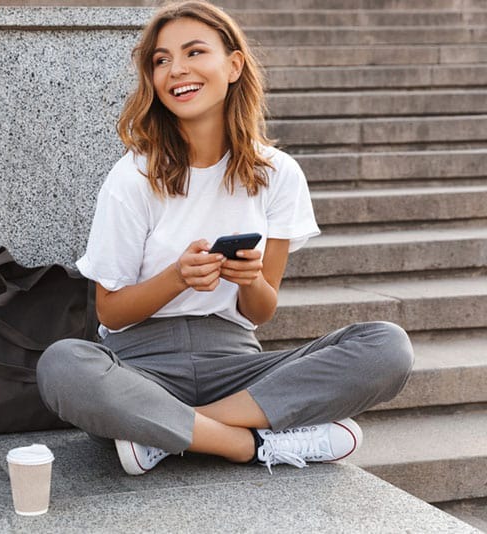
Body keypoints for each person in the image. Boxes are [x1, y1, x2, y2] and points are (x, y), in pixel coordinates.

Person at [36, 0, 414, 476]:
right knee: (62, 365)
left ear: (234, 64)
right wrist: (177, 278)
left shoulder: (278, 174)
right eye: (161, 60)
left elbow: (261, 310)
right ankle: (249, 444)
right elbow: (110, 310)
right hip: (140, 370)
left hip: (236, 366)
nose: (177, 70)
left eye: (194, 52)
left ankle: (164, 434)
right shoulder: (132, 176)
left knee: (387, 347)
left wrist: (251, 280)